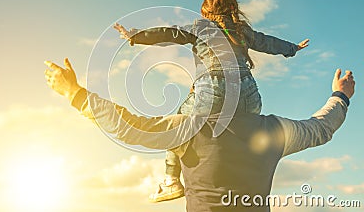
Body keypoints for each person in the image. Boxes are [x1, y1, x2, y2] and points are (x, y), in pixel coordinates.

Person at [44, 58, 354, 212]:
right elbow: (321, 128)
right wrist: (340, 96)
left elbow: (129, 126)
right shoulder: (274, 130)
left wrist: (75, 94)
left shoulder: (189, 129)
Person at [113, 0, 309, 201]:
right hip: (249, 95)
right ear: (234, 8)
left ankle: (171, 181)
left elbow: (170, 33)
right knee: (242, 131)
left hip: (212, 93)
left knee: (177, 126)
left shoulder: (200, 27)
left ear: (205, 11)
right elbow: (267, 42)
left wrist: (136, 36)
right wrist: (292, 48)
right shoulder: (242, 30)